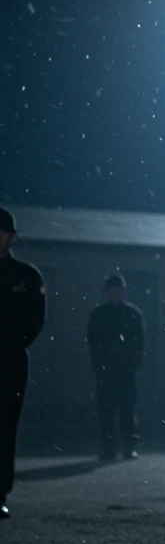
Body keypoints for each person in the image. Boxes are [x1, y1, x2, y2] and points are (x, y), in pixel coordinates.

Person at [0, 208, 46, 520]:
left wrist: (13, 346)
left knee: (4, 426)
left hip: (10, 360)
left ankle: (0, 492)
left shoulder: (26, 275)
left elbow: (35, 320)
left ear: (12, 237)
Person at [87, 274, 146, 462]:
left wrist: (133, 363)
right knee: (107, 412)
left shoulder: (132, 313)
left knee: (127, 410)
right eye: (112, 290)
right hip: (107, 370)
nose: (115, 293)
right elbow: (93, 342)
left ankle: (129, 448)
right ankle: (110, 449)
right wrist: (100, 363)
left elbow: (139, 343)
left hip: (124, 370)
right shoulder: (100, 315)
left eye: (117, 290)